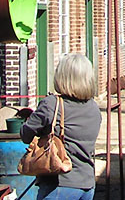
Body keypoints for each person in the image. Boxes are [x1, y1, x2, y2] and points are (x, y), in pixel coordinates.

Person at [20, 53, 101, 200]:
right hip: (87, 183)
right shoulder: (94, 108)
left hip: (60, 184)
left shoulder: (51, 104)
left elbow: (25, 135)